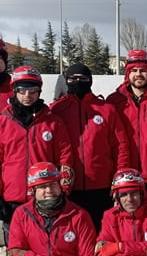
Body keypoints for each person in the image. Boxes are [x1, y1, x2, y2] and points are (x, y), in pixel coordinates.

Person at [0, 66, 75, 256]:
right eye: (22, 90)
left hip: (45, 198)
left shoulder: (52, 121)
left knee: (47, 248)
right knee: (16, 251)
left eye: (33, 90)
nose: (28, 95)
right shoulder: (2, 123)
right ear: (14, 91)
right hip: (14, 199)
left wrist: (63, 190)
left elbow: (66, 158)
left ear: (39, 91)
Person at [48, 62, 135, 228]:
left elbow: (120, 145)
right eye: (73, 78)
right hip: (68, 186)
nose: (78, 81)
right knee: (71, 231)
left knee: (101, 230)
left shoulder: (106, 109)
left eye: (83, 78)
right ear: (66, 81)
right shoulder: (57, 109)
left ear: (90, 80)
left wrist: (120, 177)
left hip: (101, 184)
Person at [105, 49, 147, 205]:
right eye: (134, 70)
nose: (138, 74)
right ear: (127, 73)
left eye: (143, 70)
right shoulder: (114, 101)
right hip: (124, 175)